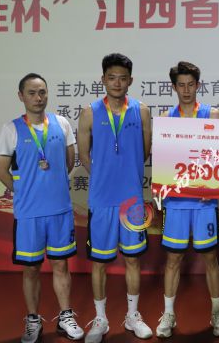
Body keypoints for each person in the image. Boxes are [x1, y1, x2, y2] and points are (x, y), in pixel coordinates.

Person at [0, 73, 84, 342]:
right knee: (31, 269)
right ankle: (33, 319)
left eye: (42, 92)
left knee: (61, 265)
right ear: (21, 96)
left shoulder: (61, 123)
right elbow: (1, 171)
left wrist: (51, 185)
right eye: (32, 93)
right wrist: (25, 191)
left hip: (59, 211)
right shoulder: (11, 129)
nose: (38, 97)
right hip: (29, 214)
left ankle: (65, 316)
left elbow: (69, 162)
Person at [77, 53, 152, 342]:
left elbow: (144, 151)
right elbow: (84, 155)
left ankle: (133, 316)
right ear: (103, 79)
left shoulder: (141, 111)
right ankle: (101, 319)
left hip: (132, 200)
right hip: (101, 200)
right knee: (100, 262)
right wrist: (103, 175)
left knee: (132, 260)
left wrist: (125, 174)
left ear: (130, 80)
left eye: (122, 78)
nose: (117, 83)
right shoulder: (90, 112)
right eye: (112, 78)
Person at [155, 61, 219, 338]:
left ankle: (217, 314)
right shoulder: (166, 118)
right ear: (174, 87)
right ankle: (168, 315)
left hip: (204, 202)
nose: (186, 90)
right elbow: (162, 159)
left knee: (210, 258)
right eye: (181, 85)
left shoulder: (213, 114)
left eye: (190, 84)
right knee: (173, 259)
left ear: (198, 85)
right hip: (176, 201)